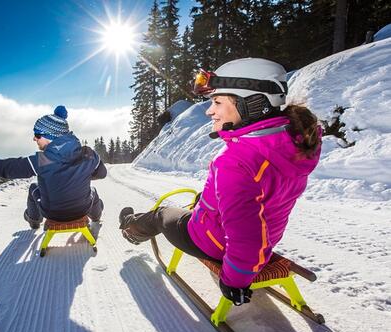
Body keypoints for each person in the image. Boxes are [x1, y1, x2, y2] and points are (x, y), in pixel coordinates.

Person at [119, 58, 321, 306]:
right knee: (200, 199)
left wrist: (235, 279)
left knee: (161, 214)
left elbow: (246, 233)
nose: (209, 110)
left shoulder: (235, 161)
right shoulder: (295, 143)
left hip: (213, 243)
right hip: (269, 238)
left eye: (217, 102)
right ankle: (185, 212)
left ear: (251, 103)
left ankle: (131, 227)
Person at [0, 105, 106, 229]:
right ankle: (96, 217)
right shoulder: (88, 154)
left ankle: (33, 220)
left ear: (51, 137)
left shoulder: (44, 160)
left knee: (33, 188)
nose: (34, 139)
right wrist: (77, 174)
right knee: (93, 192)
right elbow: (102, 174)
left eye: (37, 135)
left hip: (52, 213)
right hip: (82, 208)